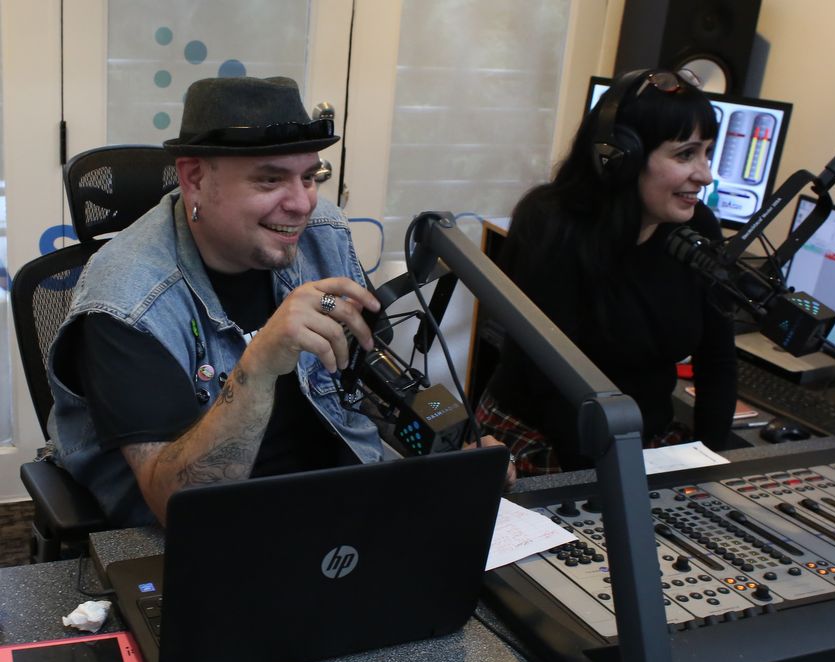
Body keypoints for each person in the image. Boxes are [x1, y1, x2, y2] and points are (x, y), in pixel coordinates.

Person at [47, 76, 509, 528]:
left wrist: (451, 457)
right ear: (194, 179)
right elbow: (181, 506)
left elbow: (365, 387)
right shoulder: (126, 299)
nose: (302, 204)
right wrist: (260, 364)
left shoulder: (323, 234)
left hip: (339, 503)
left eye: (309, 177)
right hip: (215, 534)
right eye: (270, 180)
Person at [476, 68, 737, 475]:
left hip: (640, 441)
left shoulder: (698, 227)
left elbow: (717, 360)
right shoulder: (550, 226)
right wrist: (613, 489)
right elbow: (553, 384)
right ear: (621, 157)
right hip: (546, 441)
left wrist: (709, 469)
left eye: (707, 152)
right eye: (685, 154)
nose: (704, 174)